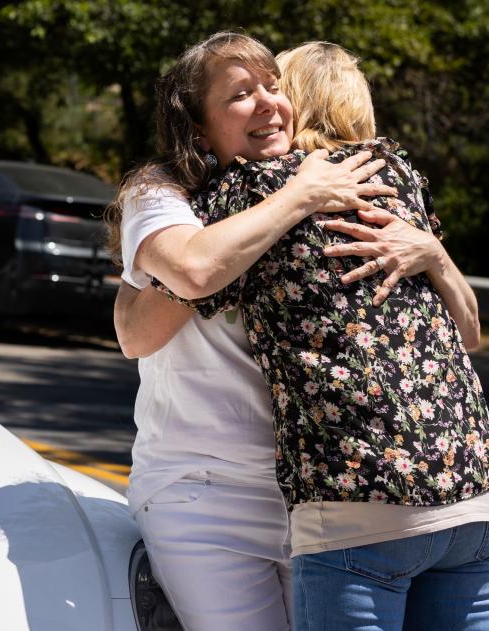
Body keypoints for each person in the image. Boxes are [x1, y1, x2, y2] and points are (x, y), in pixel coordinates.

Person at [108, 33, 485, 631]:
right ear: (199, 126)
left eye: (273, 87)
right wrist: (296, 195)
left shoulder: (349, 186)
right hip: (207, 493)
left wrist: (434, 253)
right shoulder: (172, 194)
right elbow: (150, 315)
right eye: (240, 94)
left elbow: (463, 330)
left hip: (313, 490)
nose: (267, 103)